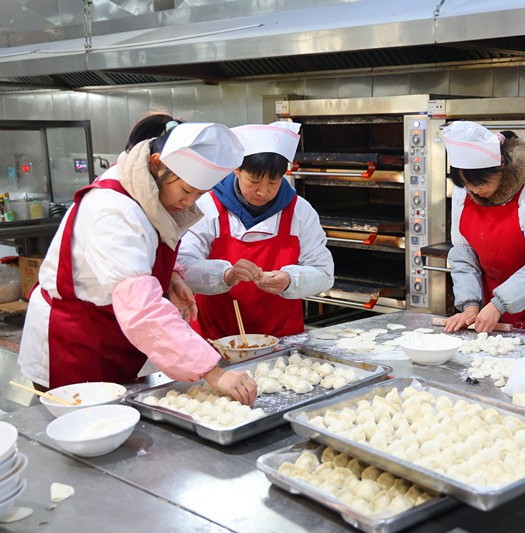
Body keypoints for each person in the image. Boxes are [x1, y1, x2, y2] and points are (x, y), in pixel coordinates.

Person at [19, 122, 258, 405]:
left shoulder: (145, 188)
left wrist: (172, 279)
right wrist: (212, 372)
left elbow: (142, 249)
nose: (189, 201)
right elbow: (141, 307)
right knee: (80, 431)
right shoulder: (113, 211)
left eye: (200, 195)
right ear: (157, 163)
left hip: (111, 331)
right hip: (74, 340)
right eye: (186, 189)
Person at [177, 121, 334, 339]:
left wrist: (290, 279)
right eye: (254, 181)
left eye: (273, 182)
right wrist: (225, 275)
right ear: (237, 170)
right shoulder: (208, 207)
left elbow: (324, 273)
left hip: (282, 338)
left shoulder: (300, 211)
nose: (263, 191)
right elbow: (183, 267)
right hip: (215, 338)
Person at [442, 121, 525, 334]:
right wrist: (470, 305)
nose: (474, 190)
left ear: (500, 166)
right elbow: (464, 257)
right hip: (489, 308)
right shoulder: (464, 194)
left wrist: (499, 304)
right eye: (466, 184)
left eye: (480, 182)